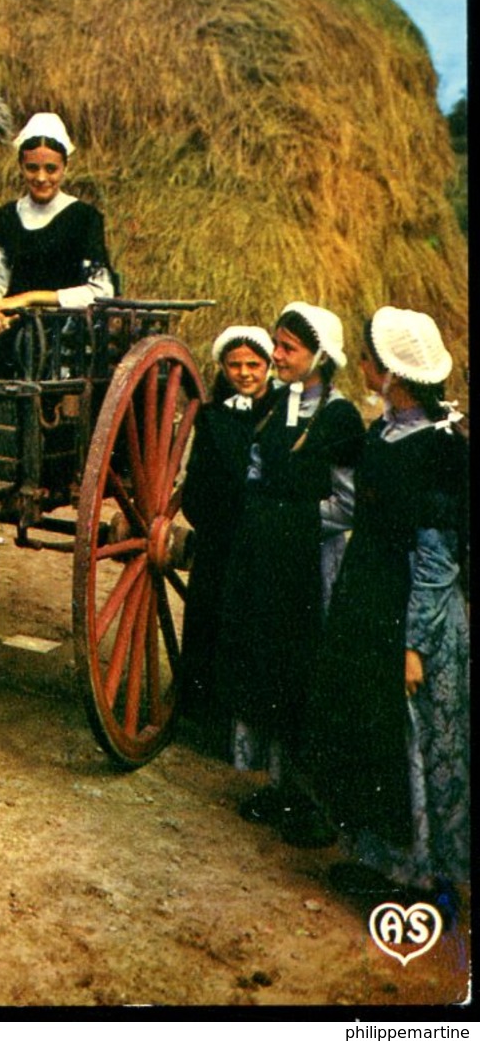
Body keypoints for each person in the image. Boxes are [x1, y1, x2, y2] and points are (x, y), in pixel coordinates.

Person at [305, 308, 468, 911]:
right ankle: (378, 859)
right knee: (369, 729)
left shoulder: (441, 449)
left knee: (412, 740)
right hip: (369, 595)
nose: (365, 368)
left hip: (408, 613)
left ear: (395, 374)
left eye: (372, 360)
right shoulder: (385, 429)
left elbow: (438, 558)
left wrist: (415, 645)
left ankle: (418, 879)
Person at [215, 302, 362, 848]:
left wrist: (285, 521)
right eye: (275, 344)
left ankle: (311, 798)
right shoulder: (279, 404)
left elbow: (346, 507)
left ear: (319, 357)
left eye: (287, 349)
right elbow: (258, 467)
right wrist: (260, 506)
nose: (275, 355)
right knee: (270, 663)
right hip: (270, 559)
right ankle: (278, 786)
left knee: (307, 670)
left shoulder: (341, 418)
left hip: (311, 563)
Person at [179, 325, 274, 730]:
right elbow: (196, 479)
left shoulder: (280, 414)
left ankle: (237, 722)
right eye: (234, 365)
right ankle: (198, 712)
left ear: (268, 366)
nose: (244, 373)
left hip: (258, 537)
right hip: (220, 536)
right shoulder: (213, 415)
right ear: (222, 367)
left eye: (253, 364)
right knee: (207, 620)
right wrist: (211, 522)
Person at [0, 112, 115, 366]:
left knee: (30, 345)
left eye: (51, 169)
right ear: (21, 166)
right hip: (12, 323)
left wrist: (30, 298)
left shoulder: (84, 218)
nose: (41, 178)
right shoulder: (6, 217)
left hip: (65, 329)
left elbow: (100, 290)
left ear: (65, 167)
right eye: (32, 168)